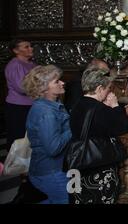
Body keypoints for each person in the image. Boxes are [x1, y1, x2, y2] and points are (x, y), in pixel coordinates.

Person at [69, 68, 128, 204]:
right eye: (108, 88)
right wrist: (115, 105)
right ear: (99, 88)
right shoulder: (100, 109)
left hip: (78, 163)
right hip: (97, 164)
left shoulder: (78, 103)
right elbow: (121, 127)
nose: (110, 92)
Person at [23, 65, 72, 204]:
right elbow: (53, 148)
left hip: (55, 168)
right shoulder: (46, 112)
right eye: (57, 81)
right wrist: (73, 128)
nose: (62, 82)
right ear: (44, 88)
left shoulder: (52, 104)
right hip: (51, 171)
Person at [4, 39, 36, 150]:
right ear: (16, 51)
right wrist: (41, 87)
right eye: (26, 47)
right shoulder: (15, 65)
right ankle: (13, 164)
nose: (31, 48)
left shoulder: (31, 64)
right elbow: (21, 88)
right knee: (18, 137)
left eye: (30, 46)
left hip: (30, 104)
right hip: (18, 106)